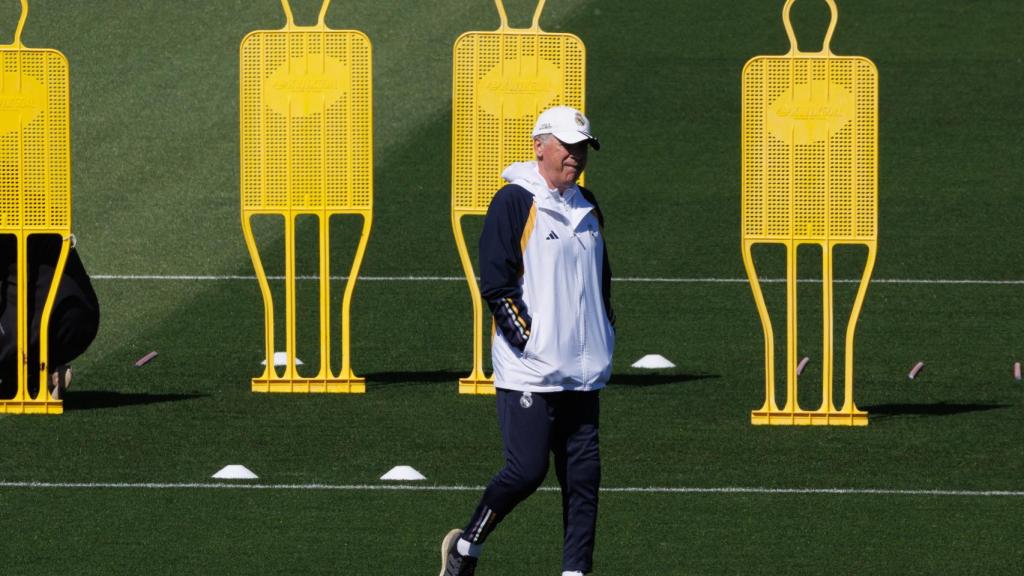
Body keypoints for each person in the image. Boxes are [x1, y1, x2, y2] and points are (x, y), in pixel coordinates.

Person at [440, 106, 615, 576]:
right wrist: (531, 342)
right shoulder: (514, 202)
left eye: (582, 148)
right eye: (567, 147)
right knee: (526, 471)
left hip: (583, 376)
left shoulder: (587, 205)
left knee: (584, 482)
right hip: (530, 373)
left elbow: (601, 282)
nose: (576, 157)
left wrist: (606, 334)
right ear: (539, 145)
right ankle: (465, 549)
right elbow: (497, 284)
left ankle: (575, 572)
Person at [0, 234, 100, 400]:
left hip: (34, 325)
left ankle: (32, 374)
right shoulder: (42, 210)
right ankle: (36, 373)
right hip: (80, 318)